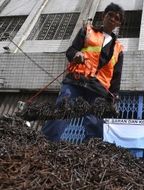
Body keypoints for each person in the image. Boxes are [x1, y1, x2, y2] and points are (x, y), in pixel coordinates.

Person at [41, 3, 125, 142]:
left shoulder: (119, 48)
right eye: (110, 15)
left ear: (119, 23)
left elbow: (117, 75)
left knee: (95, 124)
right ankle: (45, 144)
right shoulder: (87, 31)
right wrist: (76, 54)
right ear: (104, 15)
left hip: (99, 89)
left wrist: (114, 95)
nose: (112, 19)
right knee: (62, 112)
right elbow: (71, 50)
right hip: (76, 81)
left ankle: (92, 154)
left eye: (117, 18)